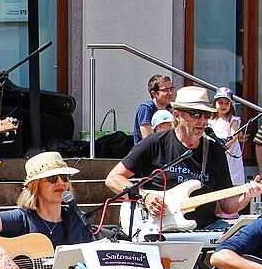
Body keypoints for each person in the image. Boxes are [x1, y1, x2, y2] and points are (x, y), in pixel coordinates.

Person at [106, 86, 262, 232]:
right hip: (158, 228)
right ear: (177, 115)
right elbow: (113, 178)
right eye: (195, 114)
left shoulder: (215, 151)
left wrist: (247, 193)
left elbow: (227, 206)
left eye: (206, 115)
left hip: (205, 228)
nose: (202, 120)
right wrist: (144, 197)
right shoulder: (156, 143)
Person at [209, 87, 245, 198]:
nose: (223, 106)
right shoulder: (210, 121)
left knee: (233, 178)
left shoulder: (233, 119)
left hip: (229, 152)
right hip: (215, 153)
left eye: (227, 103)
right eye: (220, 103)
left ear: (231, 105)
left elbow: (233, 136)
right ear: (215, 103)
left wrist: (224, 147)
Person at [132, 74, 174, 143]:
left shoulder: (171, 109)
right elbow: (148, 140)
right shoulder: (146, 109)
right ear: (154, 93)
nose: (170, 93)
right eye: (165, 90)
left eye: (171, 89)